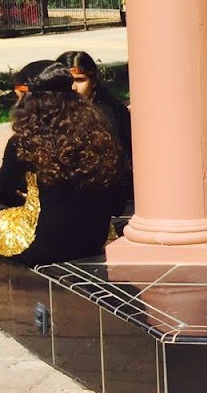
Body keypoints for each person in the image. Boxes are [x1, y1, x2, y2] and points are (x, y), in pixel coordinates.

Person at [0, 64, 122, 264]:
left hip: (43, 247)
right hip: (93, 239)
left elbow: (4, 189)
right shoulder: (98, 133)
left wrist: (23, 200)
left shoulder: (24, 141)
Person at [55, 50, 133, 211]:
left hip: (105, 194)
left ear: (93, 81)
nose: (73, 87)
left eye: (80, 80)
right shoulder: (53, 110)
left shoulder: (108, 113)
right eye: (67, 81)